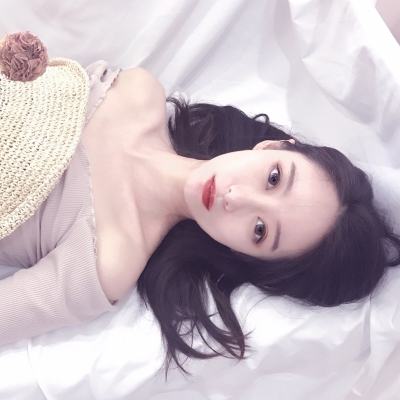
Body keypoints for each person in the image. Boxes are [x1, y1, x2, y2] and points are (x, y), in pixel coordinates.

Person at [0, 33, 399, 375]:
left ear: (245, 254)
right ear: (273, 146)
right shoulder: (138, 92)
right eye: (274, 178)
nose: (235, 197)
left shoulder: (111, 258)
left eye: (260, 230)